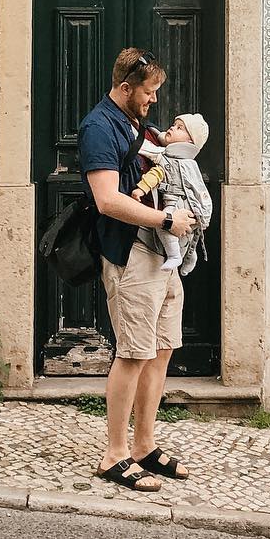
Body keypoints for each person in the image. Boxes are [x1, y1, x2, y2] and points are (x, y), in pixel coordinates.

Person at [78, 47, 197, 493]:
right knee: (133, 353)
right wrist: (167, 220)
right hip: (131, 255)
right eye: (148, 92)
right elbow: (108, 199)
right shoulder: (99, 127)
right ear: (125, 87)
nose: (152, 100)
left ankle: (145, 445)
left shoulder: (135, 124)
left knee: (161, 348)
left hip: (161, 257)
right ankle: (115, 453)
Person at [131, 114, 212, 273]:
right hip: (176, 203)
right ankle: (186, 255)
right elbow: (155, 175)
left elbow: (199, 188)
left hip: (185, 205)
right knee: (169, 222)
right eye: (174, 124)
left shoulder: (181, 161)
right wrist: (141, 189)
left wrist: (202, 212)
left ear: (190, 142)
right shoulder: (168, 158)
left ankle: (176, 256)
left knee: (166, 223)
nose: (172, 128)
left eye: (180, 128)